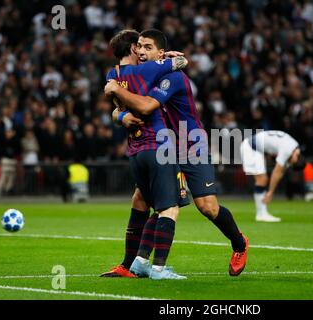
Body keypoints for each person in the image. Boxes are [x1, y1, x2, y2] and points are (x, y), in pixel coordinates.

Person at [106, 29, 249, 277]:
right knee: (147, 200)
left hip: (189, 143)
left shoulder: (170, 77)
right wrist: (119, 114)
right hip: (163, 146)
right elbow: (123, 107)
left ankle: (239, 243)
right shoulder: (145, 74)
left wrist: (117, 94)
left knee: (207, 206)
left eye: (148, 47)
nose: (141, 51)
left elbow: (146, 105)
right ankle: (132, 264)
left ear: (160, 53)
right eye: (139, 46)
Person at [100, 29, 190, 279]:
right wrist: (169, 58)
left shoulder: (112, 75)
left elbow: (114, 100)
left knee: (140, 199)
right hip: (158, 144)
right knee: (169, 208)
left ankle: (133, 264)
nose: (142, 51)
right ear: (132, 50)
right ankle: (159, 269)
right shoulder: (149, 70)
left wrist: (118, 114)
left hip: (135, 150)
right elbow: (183, 62)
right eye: (139, 46)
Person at [240, 130, 306, 222]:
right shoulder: (288, 150)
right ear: (296, 157)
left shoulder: (294, 145)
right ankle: (261, 214)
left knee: (263, 179)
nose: (289, 163)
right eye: (291, 162)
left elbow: (281, 171)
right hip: (250, 147)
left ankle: (262, 213)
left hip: (255, 148)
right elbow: (277, 172)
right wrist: (270, 192)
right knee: (262, 180)